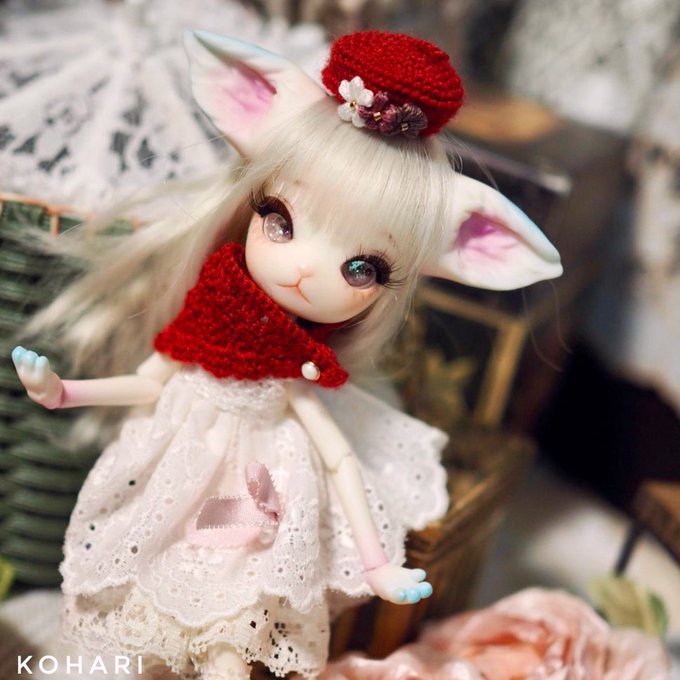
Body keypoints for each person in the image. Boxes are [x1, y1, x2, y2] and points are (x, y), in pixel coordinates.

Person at [12, 30, 561, 680]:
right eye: (280, 220)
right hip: (173, 490)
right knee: (140, 614)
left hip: (255, 509)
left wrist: (378, 563)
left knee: (230, 640)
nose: (303, 269)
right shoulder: (203, 327)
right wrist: (63, 392)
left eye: (361, 266)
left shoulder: (297, 371)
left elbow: (339, 459)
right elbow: (146, 382)